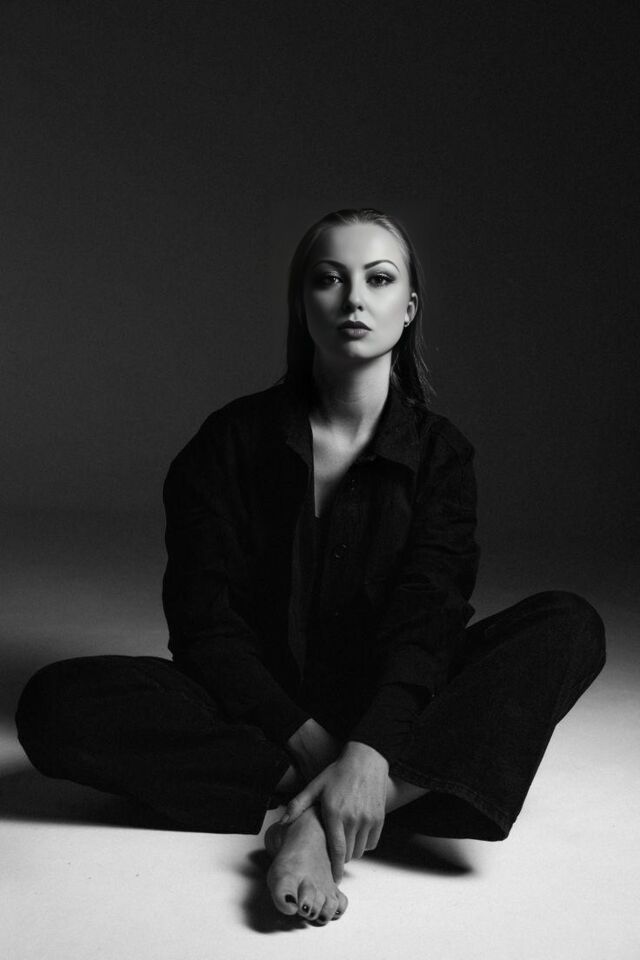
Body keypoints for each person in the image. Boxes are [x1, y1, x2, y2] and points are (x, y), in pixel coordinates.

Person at [15, 207, 606, 927]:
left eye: (378, 279)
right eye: (329, 279)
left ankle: (314, 822)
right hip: (258, 712)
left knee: (568, 626)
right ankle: (353, 794)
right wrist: (317, 743)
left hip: (395, 710)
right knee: (52, 704)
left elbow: (428, 622)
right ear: (303, 303)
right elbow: (204, 627)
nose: (354, 298)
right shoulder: (229, 441)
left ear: (408, 307)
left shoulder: (441, 455)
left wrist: (372, 747)